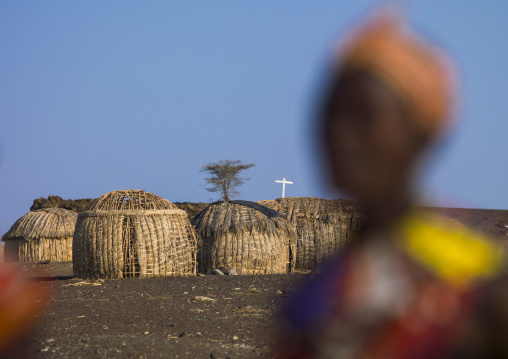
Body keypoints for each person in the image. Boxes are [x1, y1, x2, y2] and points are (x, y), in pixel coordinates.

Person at [278, 10, 508, 359]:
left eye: (363, 116)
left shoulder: (476, 287)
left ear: (421, 133)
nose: (340, 135)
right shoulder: (310, 299)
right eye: (330, 113)